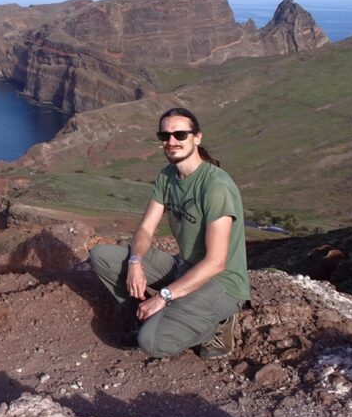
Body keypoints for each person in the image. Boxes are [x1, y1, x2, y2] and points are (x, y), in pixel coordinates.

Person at [89, 107, 250, 359]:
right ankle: (141, 317)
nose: (171, 142)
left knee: (152, 343)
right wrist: (135, 262)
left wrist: (163, 297)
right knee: (102, 256)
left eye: (180, 135)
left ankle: (217, 327)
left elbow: (216, 262)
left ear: (197, 138)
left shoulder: (215, 186)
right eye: (165, 136)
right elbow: (145, 229)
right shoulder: (168, 176)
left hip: (222, 283)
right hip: (184, 268)